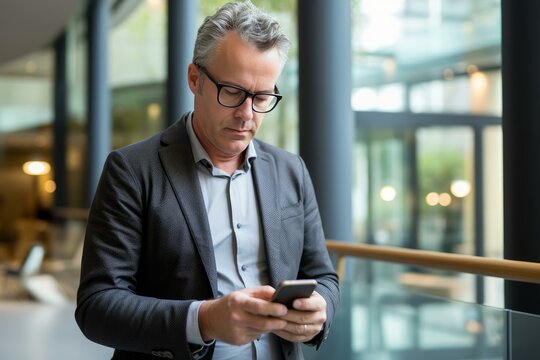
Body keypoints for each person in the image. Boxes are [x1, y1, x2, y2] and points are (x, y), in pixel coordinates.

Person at [75, 1, 339, 359]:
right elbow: (97, 306)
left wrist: (320, 307)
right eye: (232, 92)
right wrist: (204, 320)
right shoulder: (131, 171)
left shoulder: (290, 170)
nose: (247, 115)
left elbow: (324, 276)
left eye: (262, 97)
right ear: (195, 79)